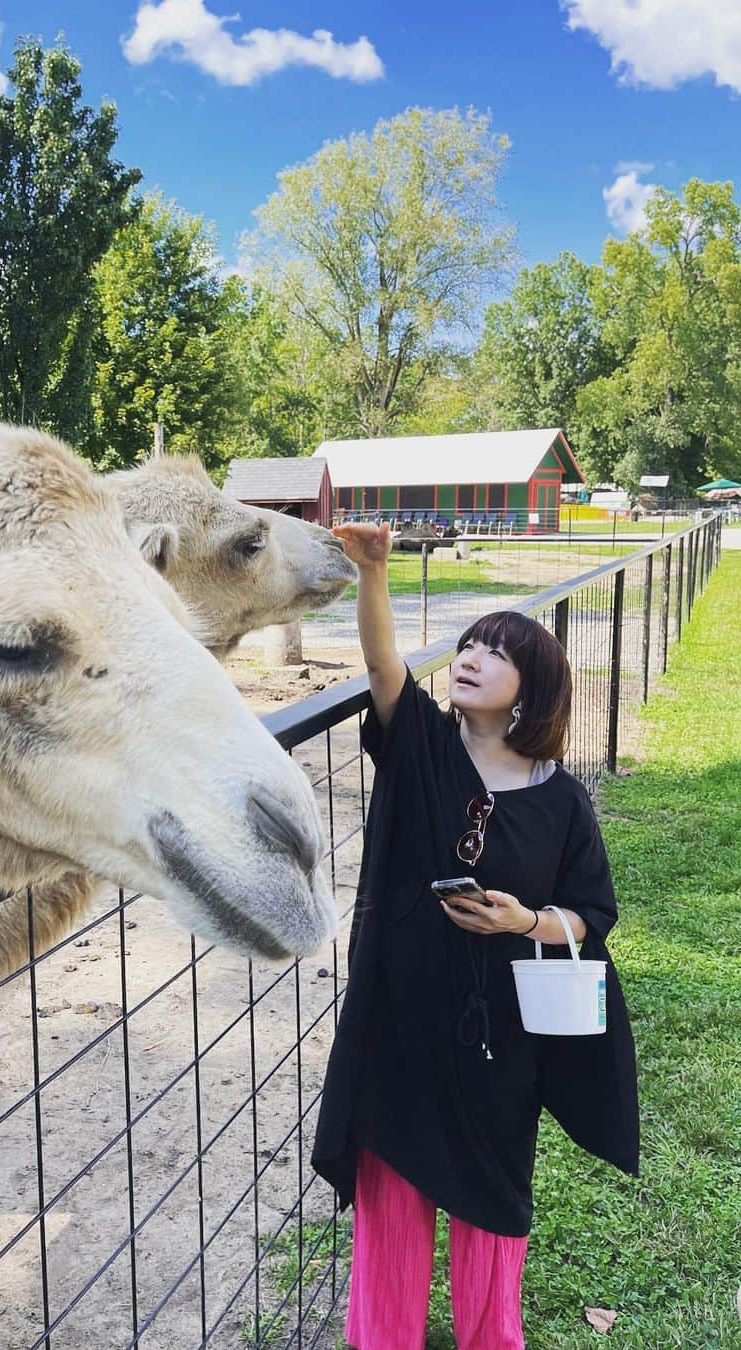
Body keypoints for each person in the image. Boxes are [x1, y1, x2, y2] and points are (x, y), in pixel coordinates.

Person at [312, 522, 639, 1350]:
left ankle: (493, 1339)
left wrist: (521, 920)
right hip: (401, 1019)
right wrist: (375, 572)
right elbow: (385, 666)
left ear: (529, 687)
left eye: (494, 653)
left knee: (492, 1205)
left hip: (503, 1037)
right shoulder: (421, 744)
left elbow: (590, 915)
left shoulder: (560, 800)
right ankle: (383, 1339)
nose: (471, 658)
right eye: (466, 646)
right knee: (392, 1203)